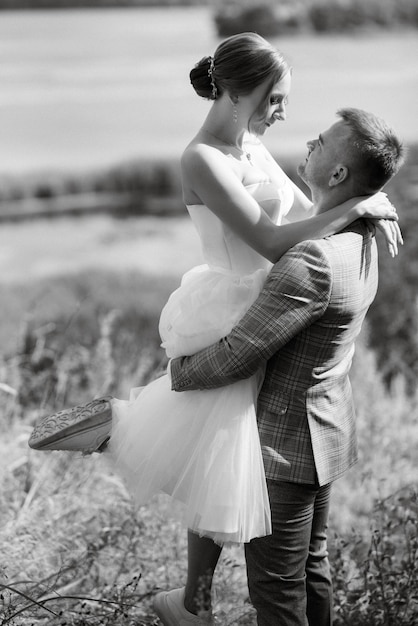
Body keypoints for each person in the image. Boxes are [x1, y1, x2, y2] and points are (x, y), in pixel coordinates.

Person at [28, 34, 401, 625]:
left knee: (219, 454)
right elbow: (275, 239)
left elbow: (309, 211)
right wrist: (359, 208)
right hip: (232, 296)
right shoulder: (200, 158)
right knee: (213, 432)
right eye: (275, 97)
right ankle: (117, 426)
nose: (283, 111)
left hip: (273, 290)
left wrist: (364, 200)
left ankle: (192, 596)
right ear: (235, 93)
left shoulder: (253, 142)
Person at [167, 106, 405, 625]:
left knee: (276, 593)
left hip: (284, 448)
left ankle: (193, 603)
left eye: (320, 143)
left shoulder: (312, 258)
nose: (308, 145)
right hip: (325, 433)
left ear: (338, 174)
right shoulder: (361, 238)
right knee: (310, 570)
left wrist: (179, 373)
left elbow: (238, 355)